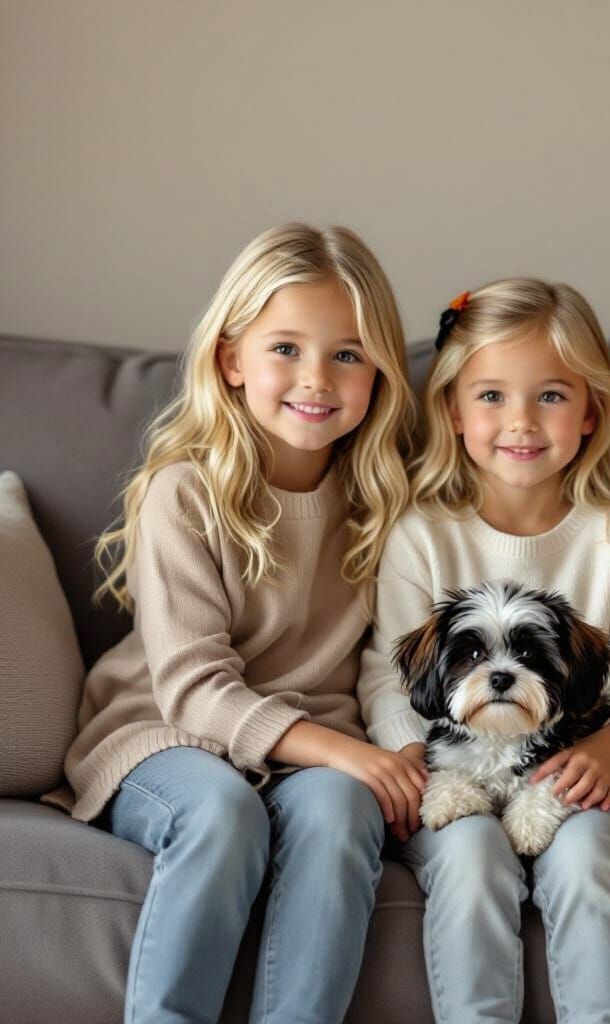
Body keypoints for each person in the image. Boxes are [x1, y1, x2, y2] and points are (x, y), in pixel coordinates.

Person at [58, 223, 421, 1023]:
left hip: (316, 747)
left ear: (380, 373)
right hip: (167, 734)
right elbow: (191, 689)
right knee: (223, 812)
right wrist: (345, 751)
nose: (316, 378)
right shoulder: (185, 492)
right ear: (231, 361)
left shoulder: (388, 503)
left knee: (341, 813)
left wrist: (373, 757)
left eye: (348, 354)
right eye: (284, 348)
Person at [357, 278, 610, 1024]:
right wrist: (415, 755)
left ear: (591, 410)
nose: (521, 422)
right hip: (453, 769)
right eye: (492, 396)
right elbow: (387, 674)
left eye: (550, 396)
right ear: (451, 410)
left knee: (590, 861)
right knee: (471, 862)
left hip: (580, 771)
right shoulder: (421, 534)